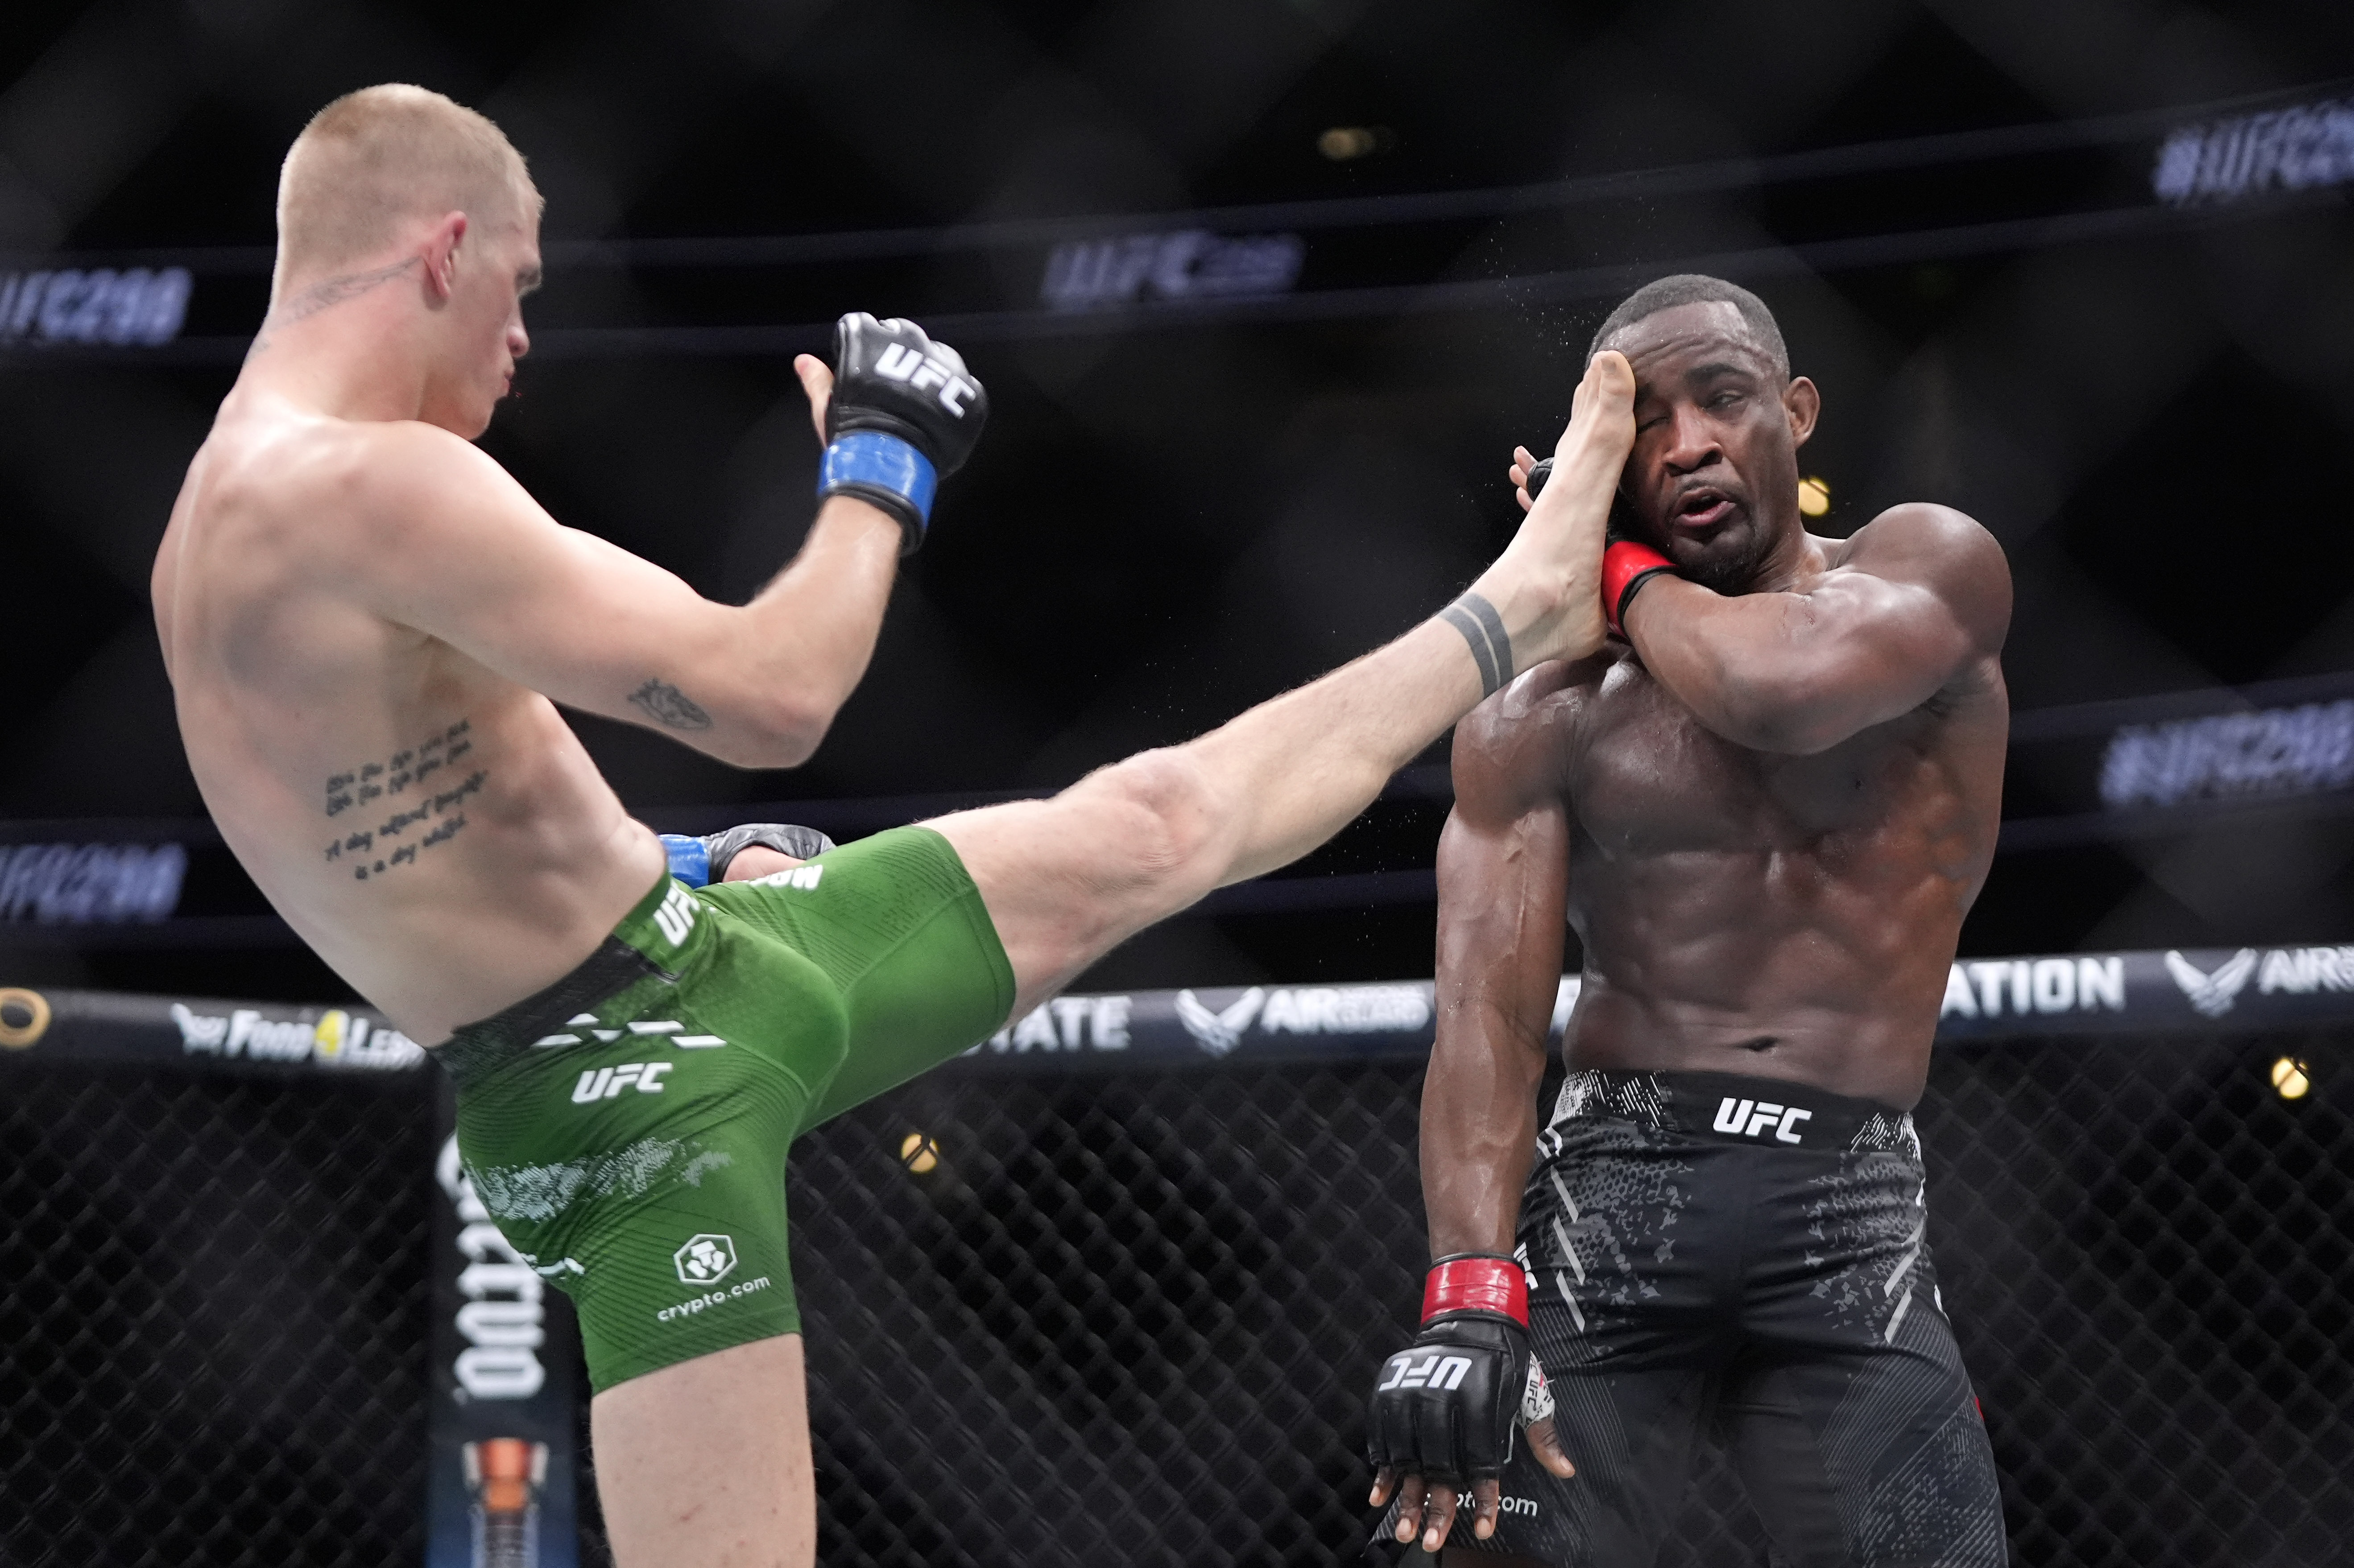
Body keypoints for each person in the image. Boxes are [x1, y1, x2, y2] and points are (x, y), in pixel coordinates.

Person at [149, 85, 1640, 1568]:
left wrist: (671, 863)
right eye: (521, 284)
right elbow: (771, 701)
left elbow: (391, 835)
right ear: (443, 250)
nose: (526, 336)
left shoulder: (213, 521)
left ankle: (1524, 604)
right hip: (636, 1106)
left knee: (1158, 821)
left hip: (695, 948)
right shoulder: (372, 482)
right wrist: (879, 462)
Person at [1365, 274, 2013, 1568]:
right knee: (1464, 1537)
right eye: (1641, 426)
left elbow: (1779, 692)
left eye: (1721, 400)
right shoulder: (1544, 703)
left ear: (1798, 410)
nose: (1686, 446)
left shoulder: (1931, 564)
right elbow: (1489, 1017)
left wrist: (1603, 560)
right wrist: (1470, 1295)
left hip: (1848, 1208)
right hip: (1612, 1194)